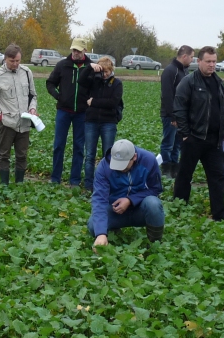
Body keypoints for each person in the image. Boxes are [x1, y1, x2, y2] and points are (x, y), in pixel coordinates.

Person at [172, 46, 224, 221]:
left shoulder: (218, 82)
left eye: (214, 61)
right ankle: (179, 208)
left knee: (217, 176)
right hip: (194, 138)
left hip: (213, 140)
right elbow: (179, 109)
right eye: (208, 61)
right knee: (184, 174)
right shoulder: (189, 82)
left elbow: (222, 110)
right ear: (199, 62)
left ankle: (219, 213)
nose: (212, 65)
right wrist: (186, 134)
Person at [88, 139, 165, 247]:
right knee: (93, 226)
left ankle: (154, 243)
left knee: (154, 204)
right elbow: (99, 199)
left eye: (123, 164)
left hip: (140, 208)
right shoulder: (104, 167)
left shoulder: (148, 160)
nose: (120, 168)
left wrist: (130, 200)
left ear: (134, 157)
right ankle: (114, 231)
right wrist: (101, 234)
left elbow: (155, 189)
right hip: (116, 211)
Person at [0, 44, 38, 184]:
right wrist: (0, 116)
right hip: (7, 123)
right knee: (3, 155)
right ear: (5, 59)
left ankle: (19, 183)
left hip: (24, 123)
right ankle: (4, 185)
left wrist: (32, 109)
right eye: (12, 61)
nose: (15, 64)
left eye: (18, 61)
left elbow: (33, 96)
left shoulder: (27, 72)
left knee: (22, 155)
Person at [46, 42, 91, 186]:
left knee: (79, 147)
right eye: (73, 50)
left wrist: (91, 99)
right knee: (59, 145)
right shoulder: (62, 65)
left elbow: (97, 87)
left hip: (82, 113)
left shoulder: (90, 67)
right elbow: (50, 83)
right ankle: (55, 178)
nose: (75, 53)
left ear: (84, 50)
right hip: (63, 111)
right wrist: (59, 96)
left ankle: (75, 180)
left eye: (78, 50)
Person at [79, 57, 123, 191]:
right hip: (91, 121)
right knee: (90, 155)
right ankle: (88, 185)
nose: (104, 74)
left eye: (107, 71)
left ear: (111, 70)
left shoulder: (117, 83)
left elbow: (113, 102)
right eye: (102, 71)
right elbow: (80, 81)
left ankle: (106, 184)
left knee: (108, 155)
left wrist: (94, 102)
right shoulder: (94, 80)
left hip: (108, 123)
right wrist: (89, 68)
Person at [159, 46, 193, 178]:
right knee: (168, 143)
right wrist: (172, 115)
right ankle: (166, 168)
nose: (191, 60)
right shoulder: (170, 71)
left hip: (182, 115)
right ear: (184, 56)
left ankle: (175, 167)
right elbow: (167, 94)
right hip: (171, 115)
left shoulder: (185, 71)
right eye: (191, 57)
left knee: (178, 143)